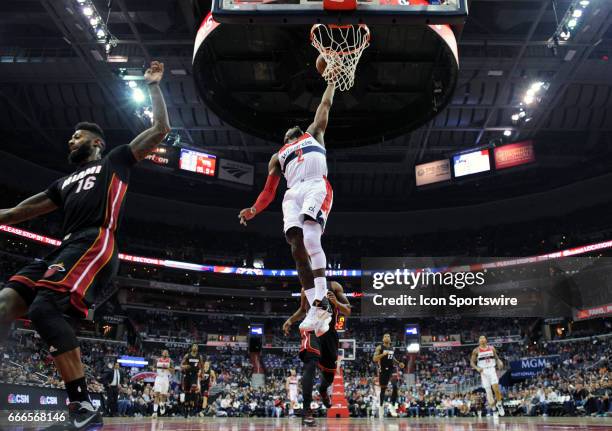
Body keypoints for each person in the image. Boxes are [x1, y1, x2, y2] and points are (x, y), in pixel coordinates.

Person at [0, 61, 170, 430]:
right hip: (64, 248)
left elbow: (160, 129)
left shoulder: (115, 160)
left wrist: (154, 87)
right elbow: (15, 212)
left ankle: (83, 406)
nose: (69, 141)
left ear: (95, 142)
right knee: (6, 302)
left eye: (76, 137)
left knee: (45, 309)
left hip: (96, 240)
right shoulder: (62, 183)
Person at [239, 81, 336, 336]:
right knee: (296, 248)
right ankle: (317, 305)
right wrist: (254, 210)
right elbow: (269, 191)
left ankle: (322, 299)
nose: (292, 127)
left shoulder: (314, 132)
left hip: (316, 183)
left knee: (312, 236)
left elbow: (325, 104)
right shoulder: (278, 156)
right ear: (284, 139)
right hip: (292, 193)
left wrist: (332, 81)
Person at [283, 281, 351, 426]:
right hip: (312, 331)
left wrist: (336, 302)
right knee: (310, 363)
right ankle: (307, 410)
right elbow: (303, 310)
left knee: (329, 376)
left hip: (330, 334)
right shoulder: (305, 288)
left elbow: (348, 310)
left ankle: (322, 389)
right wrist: (290, 320)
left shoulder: (335, 286)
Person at [470, 335, 505, 416]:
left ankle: (499, 404)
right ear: (479, 341)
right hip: (483, 371)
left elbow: (496, 358)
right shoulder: (476, 350)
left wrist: (499, 361)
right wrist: (476, 368)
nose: (482, 340)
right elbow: (471, 362)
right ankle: (494, 410)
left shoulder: (492, 348)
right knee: (488, 392)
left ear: (486, 340)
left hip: (492, 369)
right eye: (480, 339)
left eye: (483, 338)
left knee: (496, 387)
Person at [373, 333, 405, 418]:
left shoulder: (391, 348)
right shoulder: (379, 347)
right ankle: (381, 407)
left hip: (392, 368)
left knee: (395, 386)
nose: (387, 337)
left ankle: (393, 406)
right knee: (383, 390)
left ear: (390, 339)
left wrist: (399, 363)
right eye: (385, 336)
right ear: (383, 339)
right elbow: (374, 358)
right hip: (383, 369)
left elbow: (392, 357)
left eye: (388, 336)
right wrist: (383, 354)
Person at [181, 343, 204, 417]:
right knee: (187, 392)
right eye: (194, 346)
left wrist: (202, 374)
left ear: (197, 348)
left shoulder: (199, 356)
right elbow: (181, 365)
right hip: (187, 375)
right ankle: (186, 409)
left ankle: (191, 408)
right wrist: (184, 366)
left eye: (196, 346)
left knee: (193, 391)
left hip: (194, 375)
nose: (195, 347)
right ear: (191, 348)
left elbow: (202, 366)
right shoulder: (187, 355)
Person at [152, 349, 174, 418]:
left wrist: (167, 368)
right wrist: (154, 369)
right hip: (158, 377)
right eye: (164, 352)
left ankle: (162, 404)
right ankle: (155, 412)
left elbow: (173, 371)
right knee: (157, 394)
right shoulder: (157, 360)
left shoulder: (170, 361)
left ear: (168, 354)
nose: (165, 353)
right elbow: (153, 368)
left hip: (165, 378)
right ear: (162, 353)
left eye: (167, 352)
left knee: (163, 395)